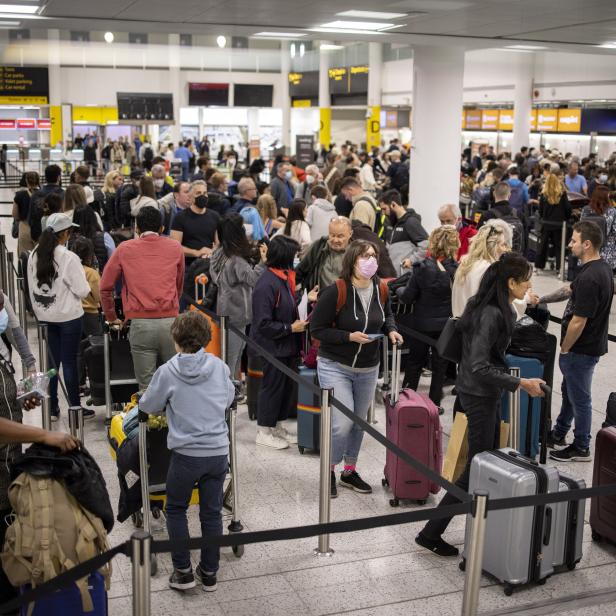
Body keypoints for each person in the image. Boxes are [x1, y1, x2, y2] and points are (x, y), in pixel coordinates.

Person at [415, 253, 545, 556]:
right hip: (479, 395)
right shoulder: (491, 313)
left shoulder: (495, 307)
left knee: (480, 464)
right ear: (510, 282)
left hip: (480, 393)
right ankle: (430, 532)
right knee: (476, 467)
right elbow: (478, 366)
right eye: (525, 278)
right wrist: (521, 383)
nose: (529, 283)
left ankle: (451, 527)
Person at [139, 311, 234, 593]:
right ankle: (210, 572)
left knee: (176, 509)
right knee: (212, 513)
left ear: (175, 340)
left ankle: (183, 572)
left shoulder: (167, 371)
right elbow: (228, 398)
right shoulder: (219, 367)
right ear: (207, 338)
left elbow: (148, 405)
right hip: (217, 452)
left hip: (185, 455)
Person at [311, 240, 403, 497]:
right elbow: (317, 330)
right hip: (334, 365)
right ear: (352, 260)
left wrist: (392, 330)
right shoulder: (336, 291)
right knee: (341, 424)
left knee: (359, 423)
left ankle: (349, 471)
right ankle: (328, 469)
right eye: (364, 256)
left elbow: (387, 315)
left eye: (373, 255)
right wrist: (348, 337)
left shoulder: (381, 289)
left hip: (368, 367)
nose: (370, 260)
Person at [536, 222, 614, 462]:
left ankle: (581, 446)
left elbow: (579, 321)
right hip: (584, 348)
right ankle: (559, 433)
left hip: (580, 349)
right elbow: (568, 290)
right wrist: (540, 299)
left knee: (580, 398)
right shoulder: (597, 269)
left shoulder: (592, 277)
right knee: (570, 393)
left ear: (587, 244)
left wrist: (565, 348)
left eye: (574, 241)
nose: (570, 245)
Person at [100, 206, 185, 390]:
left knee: (147, 388)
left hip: (140, 324)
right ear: (162, 228)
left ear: (137, 228)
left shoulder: (124, 249)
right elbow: (179, 285)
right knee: (174, 385)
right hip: (170, 322)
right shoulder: (175, 248)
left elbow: (105, 287)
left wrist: (112, 317)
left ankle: (150, 419)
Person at [26, 213, 92, 421]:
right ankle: (74, 408)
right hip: (69, 318)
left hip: (45, 317)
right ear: (65, 233)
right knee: (70, 363)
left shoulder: (34, 253)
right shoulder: (68, 257)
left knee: (52, 365)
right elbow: (82, 290)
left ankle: (53, 407)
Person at [251, 236, 306, 449]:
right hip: (271, 347)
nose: (296, 259)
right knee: (272, 388)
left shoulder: (283, 278)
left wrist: (304, 300)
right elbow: (262, 323)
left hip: (286, 347)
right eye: (293, 256)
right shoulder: (266, 284)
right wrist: (290, 328)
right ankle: (263, 430)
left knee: (284, 389)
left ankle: (277, 426)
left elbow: (287, 306)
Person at [397, 226, 460, 410]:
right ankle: (434, 404)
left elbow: (407, 296)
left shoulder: (421, 268)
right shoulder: (456, 271)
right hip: (445, 325)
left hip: (420, 324)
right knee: (440, 365)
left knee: (415, 362)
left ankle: (407, 401)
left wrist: (399, 289)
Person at [210, 214, 266, 379]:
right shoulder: (236, 259)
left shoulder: (218, 254)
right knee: (232, 356)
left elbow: (216, 278)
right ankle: (230, 392)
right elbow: (253, 279)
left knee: (230, 354)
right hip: (237, 314)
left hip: (224, 309)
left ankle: (234, 389)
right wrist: (262, 263)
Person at [452, 220, 512, 317]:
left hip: (460, 322)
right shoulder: (487, 269)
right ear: (493, 246)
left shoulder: (467, 263)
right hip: (476, 326)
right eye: (503, 245)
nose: (505, 249)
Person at [296, 217, 353, 298]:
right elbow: (299, 272)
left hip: (344, 305)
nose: (335, 240)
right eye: (332, 235)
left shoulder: (355, 253)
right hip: (318, 303)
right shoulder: (319, 247)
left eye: (340, 236)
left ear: (350, 234)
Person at [170, 183, 220, 273]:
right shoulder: (180, 217)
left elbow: (218, 243)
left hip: (210, 265)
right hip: (188, 267)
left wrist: (212, 252)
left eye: (205, 193)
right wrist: (196, 252)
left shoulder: (215, 216)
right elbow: (175, 247)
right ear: (190, 197)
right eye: (198, 193)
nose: (202, 196)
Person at [380, 189, 429, 269]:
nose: (383, 213)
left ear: (393, 205)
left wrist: (411, 260)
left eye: (384, 209)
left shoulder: (410, 222)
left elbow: (426, 245)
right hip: (392, 275)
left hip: (405, 277)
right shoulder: (389, 222)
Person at [535, 173, 572, 270]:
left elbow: (540, 211)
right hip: (560, 226)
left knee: (543, 245)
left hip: (546, 225)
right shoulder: (562, 194)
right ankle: (560, 268)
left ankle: (539, 266)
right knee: (559, 246)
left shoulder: (543, 195)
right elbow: (568, 210)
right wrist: (566, 218)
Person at [581, 184, 616, 270]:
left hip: (588, 247)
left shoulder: (586, 209)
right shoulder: (611, 211)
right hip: (606, 250)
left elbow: (580, 226)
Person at [28, 164, 64, 243]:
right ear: (58, 177)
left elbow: (30, 219)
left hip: (39, 237)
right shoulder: (63, 194)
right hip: (60, 237)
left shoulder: (36, 195)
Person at [12, 171, 39, 256]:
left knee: (25, 256)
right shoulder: (43, 194)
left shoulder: (19, 195)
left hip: (25, 226)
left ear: (26, 180)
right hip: (40, 227)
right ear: (38, 180)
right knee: (39, 256)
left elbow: (15, 214)